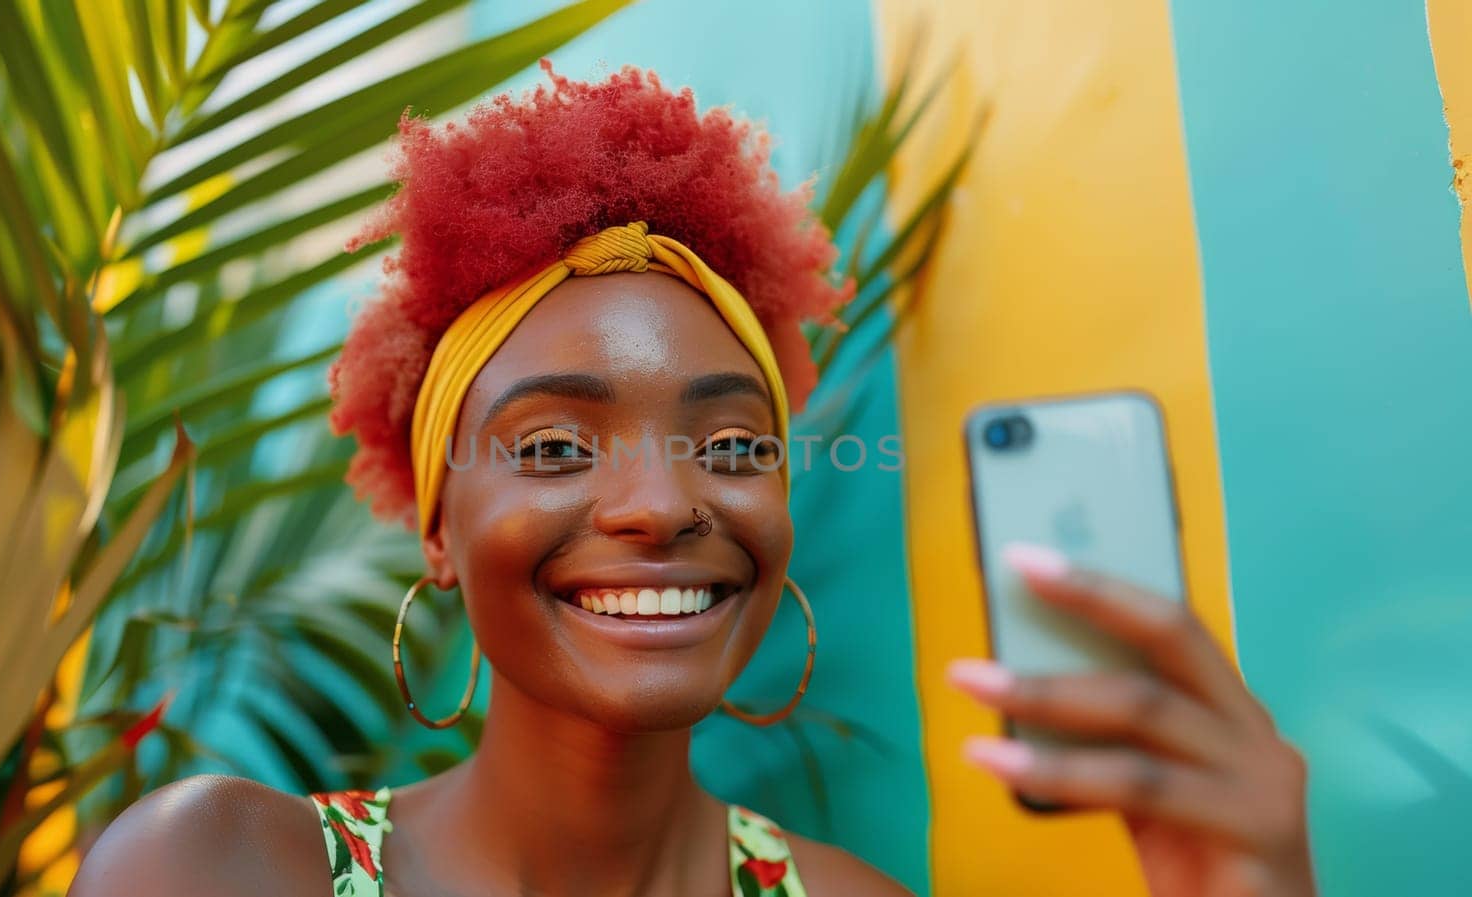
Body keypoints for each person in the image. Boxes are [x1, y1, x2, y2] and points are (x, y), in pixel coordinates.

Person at [69, 62, 1315, 897]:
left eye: (732, 447)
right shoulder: (223, 868)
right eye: (554, 446)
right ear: (436, 524)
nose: (663, 505)